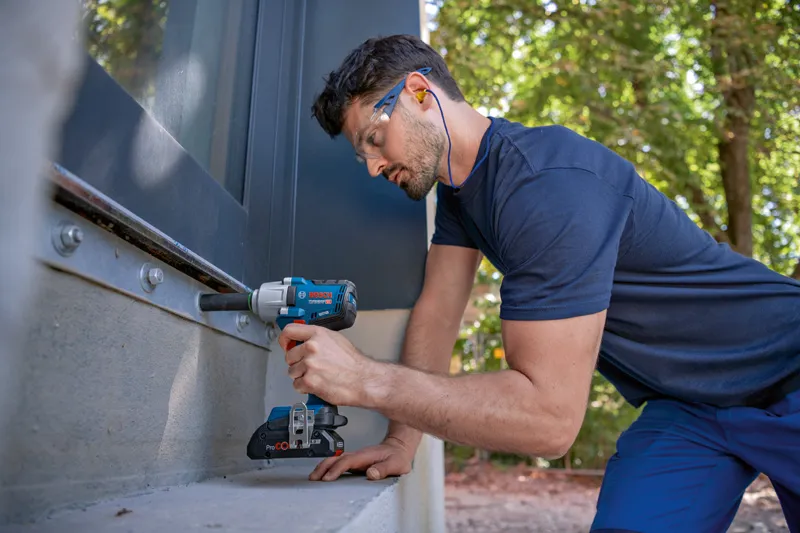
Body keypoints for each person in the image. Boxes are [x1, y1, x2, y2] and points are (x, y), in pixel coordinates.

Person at [278, 34, 800, 532]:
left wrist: (367, 381)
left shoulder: (546, 184)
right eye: (362, 153)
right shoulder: (464, 195)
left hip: (785, 368)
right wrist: (401, 441)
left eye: (374, 138)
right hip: (692, 405)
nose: (372, 166)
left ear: (418, 92)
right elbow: (437, 313)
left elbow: (549, 422)